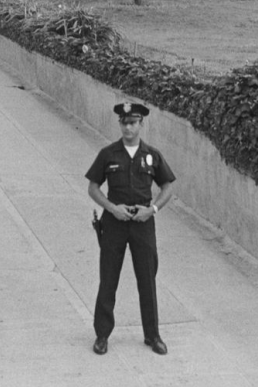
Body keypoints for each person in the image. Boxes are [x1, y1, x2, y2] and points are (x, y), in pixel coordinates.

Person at [86, 102, 177, 356]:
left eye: (133, 122)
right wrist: (112, 208)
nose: (128, 127)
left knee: (147, 279)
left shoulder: (152, 155)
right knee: (108, 279)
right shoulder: (108, 154)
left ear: (141, 124)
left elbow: (167, 187)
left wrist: (153, 210)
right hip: (114, 222)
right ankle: (102, 335)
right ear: (120, 125)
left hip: (143, 223)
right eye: (124, 123)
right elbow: (93, 188)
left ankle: (152, 335)